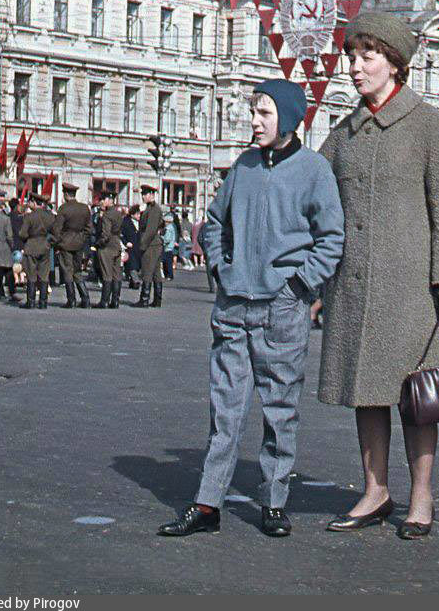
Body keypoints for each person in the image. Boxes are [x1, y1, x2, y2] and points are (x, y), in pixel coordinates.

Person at [157, 79, 344, 538]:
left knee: (280, 409)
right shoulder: (243, 166)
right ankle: (207, 504)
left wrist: (297, 286)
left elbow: (331, 239)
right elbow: (214, 223)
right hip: (233, 307)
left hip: (282, 310)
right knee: (225, 410)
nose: (254, 122)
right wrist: (220, 268)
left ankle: (274, 501)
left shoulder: (314, 171)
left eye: (264, 113)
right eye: (253, 112)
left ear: (289, 118)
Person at [316, 12, 439, 540]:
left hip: (412, 291)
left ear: (395, 63)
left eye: (368, 56)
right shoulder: (344, 132)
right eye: (351, 57)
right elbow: (313, 191)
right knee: (367, 390)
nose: (355, 67)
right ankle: (375, 490)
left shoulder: (426, 123)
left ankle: (421, 495)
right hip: (354, 286)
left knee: (416, 395)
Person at [53, 183, 93, 309]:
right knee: (77, 271)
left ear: (65, 194)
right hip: (79, 244)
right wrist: (81, 239)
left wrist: (58, 243)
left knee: (67, 271)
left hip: (65, 243)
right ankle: (85, 298)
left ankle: (71, 300)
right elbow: (89, 229)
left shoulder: (63, 209)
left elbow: (56, 229)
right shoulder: (84, 208)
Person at [19, 193, 54, 309]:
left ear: (34, 202)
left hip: (31, 246)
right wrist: (50, 242)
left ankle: (31, 301)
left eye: (29, 202)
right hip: (45, 246)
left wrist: (26, 239)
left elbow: (22, 234)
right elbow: (56, 232)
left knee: (31, 274)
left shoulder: (29, 217)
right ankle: (43, 302)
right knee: (44, 275)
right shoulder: (49, 216)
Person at [134, 186, 164, 308]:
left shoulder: (154, 209)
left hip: (151, 245)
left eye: (145, 194)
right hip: (154, 244)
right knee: (156, 273)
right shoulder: (150, 208)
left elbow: (150, 231)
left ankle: (144, 299)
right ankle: (157, 300)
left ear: (152, 194)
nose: (143, 196)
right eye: (143, 194)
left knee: (147, 271)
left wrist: (142, 246)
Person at [93, 191, 123, 309]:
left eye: (103, 199)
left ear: (108, 200)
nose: (101, 202)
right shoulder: (118, 213)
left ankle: (104, 301)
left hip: (107, 246)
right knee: (116, 274)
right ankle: (115, 301)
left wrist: (98, 244)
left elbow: (105, 234)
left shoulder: (106, 215)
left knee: (106, 274)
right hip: (116, 244)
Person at [121, 205, 142, 290]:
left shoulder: (141, 223)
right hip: (130, 247)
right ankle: (136, 281)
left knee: (137, 265)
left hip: (139, 247)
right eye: (137, 214)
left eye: (139, 214)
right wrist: (126, 243)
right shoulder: (125, 222)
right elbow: (121, 235)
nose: (139, 216)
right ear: (132, 214)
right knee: (132, 265)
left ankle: (132, 281)